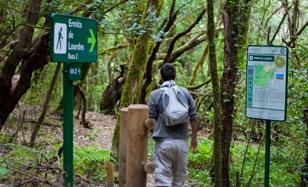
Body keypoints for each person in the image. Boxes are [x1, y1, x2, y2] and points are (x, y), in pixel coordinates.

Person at [148, 63, 198, 187]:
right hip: (182, 142)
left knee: (163, 179)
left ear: (161, 76)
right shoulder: (185, 93)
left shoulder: (155, 95)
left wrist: (153, 134)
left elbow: (151, 120)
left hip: (163, 143)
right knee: (179, 180)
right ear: (175, 76)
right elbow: (194, 117)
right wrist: (194, 138)